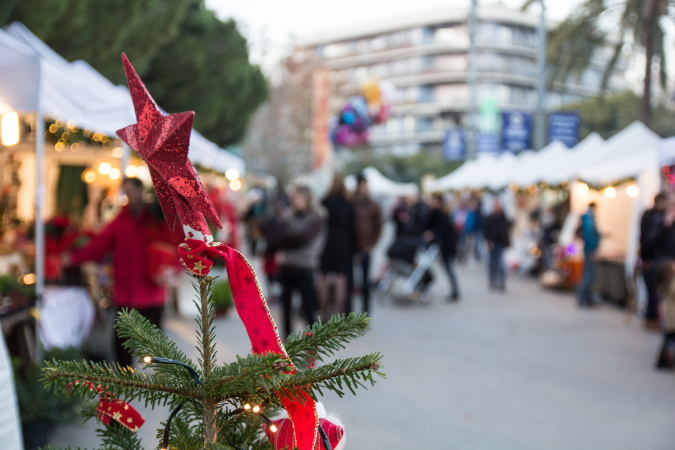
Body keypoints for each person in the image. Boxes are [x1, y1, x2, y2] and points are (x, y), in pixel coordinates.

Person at [64, 178, 183, 367]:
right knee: (123, 345)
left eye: (129, 191)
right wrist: (73, 257)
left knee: (154, 344)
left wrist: (175, 268)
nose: (127, 196)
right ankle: (127, 380)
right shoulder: (120, 221)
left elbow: (175, 244)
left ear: (140, 191)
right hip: (125, 293)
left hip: (152, 292)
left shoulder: (155, 217)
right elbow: (99, 246)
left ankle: (161, 382)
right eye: (124, 191)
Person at [273, 185, 325, 339]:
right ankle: (287, 343)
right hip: (288, 266)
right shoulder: (288, 215)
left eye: (296, 197)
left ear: (306, 198)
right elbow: (278, 237)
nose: (293, 201)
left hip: (306, 266)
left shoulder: (317, 217)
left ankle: (312, 344)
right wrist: (288, 237)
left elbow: (303, 238)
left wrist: (288, 238)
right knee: (286, 308)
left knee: (309, 308)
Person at [318, 175, 357, 320]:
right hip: (343, 243)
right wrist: (355, 248)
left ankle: (323, 312)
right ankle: (337, 313)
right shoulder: (348, 203)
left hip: (327, 242)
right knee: (341, 277)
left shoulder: (325, 202)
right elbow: (353, 228)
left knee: (323, 276)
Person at [352, 174, 383, 314]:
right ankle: (349, 311)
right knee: (350, 280)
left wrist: (371, 244)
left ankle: (365, 310)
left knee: (365, 280)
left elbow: (378, 226)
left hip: (366, 247)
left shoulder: (373, 204)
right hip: (353, 247)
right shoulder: (352, 202)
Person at [423, 194, 460, 301]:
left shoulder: (442, 215)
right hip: (439, 246)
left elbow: (443, 231)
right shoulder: (432, 213)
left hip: (445, 247)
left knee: (449, 268)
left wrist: (432, 233)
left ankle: (455, 291)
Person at [640, 193, 668, 329]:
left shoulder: (655, 216)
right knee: (653, 291)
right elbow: (647, 240)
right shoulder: (653, 218)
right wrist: (646, 258)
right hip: (651, 259)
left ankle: (651, 318)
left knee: (654, 292)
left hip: (653, 258)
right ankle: (650, 319)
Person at [483, 199, 511, 292]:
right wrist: (488, 240)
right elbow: (486, 230)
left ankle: (501, 282)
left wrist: (507, 243)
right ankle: (493, 281)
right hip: (492, 243)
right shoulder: (490, 218)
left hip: (500, 243)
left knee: (501, 263)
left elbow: (507, 228)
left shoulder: (503, 217)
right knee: (492, 264)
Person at [577, 202, 601, 307]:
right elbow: (589, 236)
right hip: (590, 249)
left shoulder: (587, 218)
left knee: (588, 273)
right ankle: (584, 296)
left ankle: (585, 296)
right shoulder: (589, 219)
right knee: (589, 274)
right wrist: (592, 249)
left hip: (588, 249)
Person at [654, 259, 675, 369]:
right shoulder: (671, 282)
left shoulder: (665, 283)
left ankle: (664, 360)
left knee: (668, 340)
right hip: (672, 317)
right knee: (670, 341)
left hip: (668, 317)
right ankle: (665, 360)